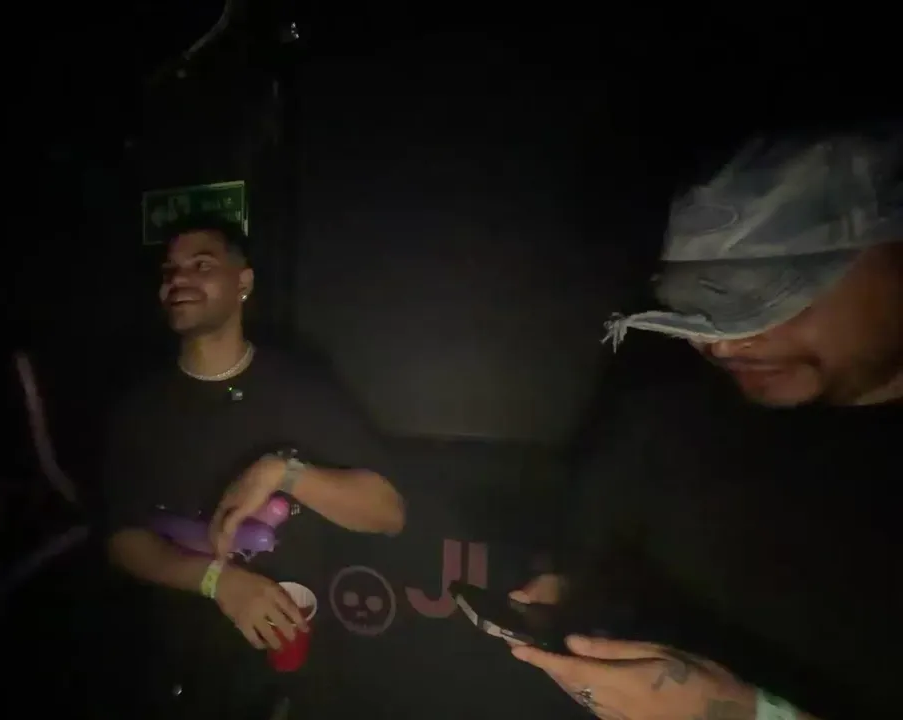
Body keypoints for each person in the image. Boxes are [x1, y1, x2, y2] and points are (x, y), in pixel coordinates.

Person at [504, 129, 902, 719]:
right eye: (700, 310)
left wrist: (745, 715)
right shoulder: (657, 426)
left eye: (773, 300)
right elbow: (585, 566)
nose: (723, 343)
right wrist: (569, 605)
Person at [101, 216, 405, 719]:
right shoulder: (141, 407)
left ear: (243, 282)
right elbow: (122, 540)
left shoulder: (302, 389)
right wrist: (219, 581)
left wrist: (285, 473)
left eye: (201, 265)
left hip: (294, 679)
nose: (179, 279)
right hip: (183, 673)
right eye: (170, 270)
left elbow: (388, 513)